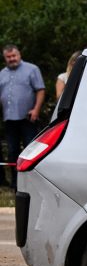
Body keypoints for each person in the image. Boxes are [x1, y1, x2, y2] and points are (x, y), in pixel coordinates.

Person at [1, 45, 45, 188]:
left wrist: (36, 110)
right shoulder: (2, 73)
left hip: (28, 118)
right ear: (4, 58)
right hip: (9, 118)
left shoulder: (32, 69)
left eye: (14, 56)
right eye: (8, 57)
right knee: (12, 151)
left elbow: (40, 90)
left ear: (19, 54)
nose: (11, 59)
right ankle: (15, 183)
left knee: (30, 150)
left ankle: (32, 183)